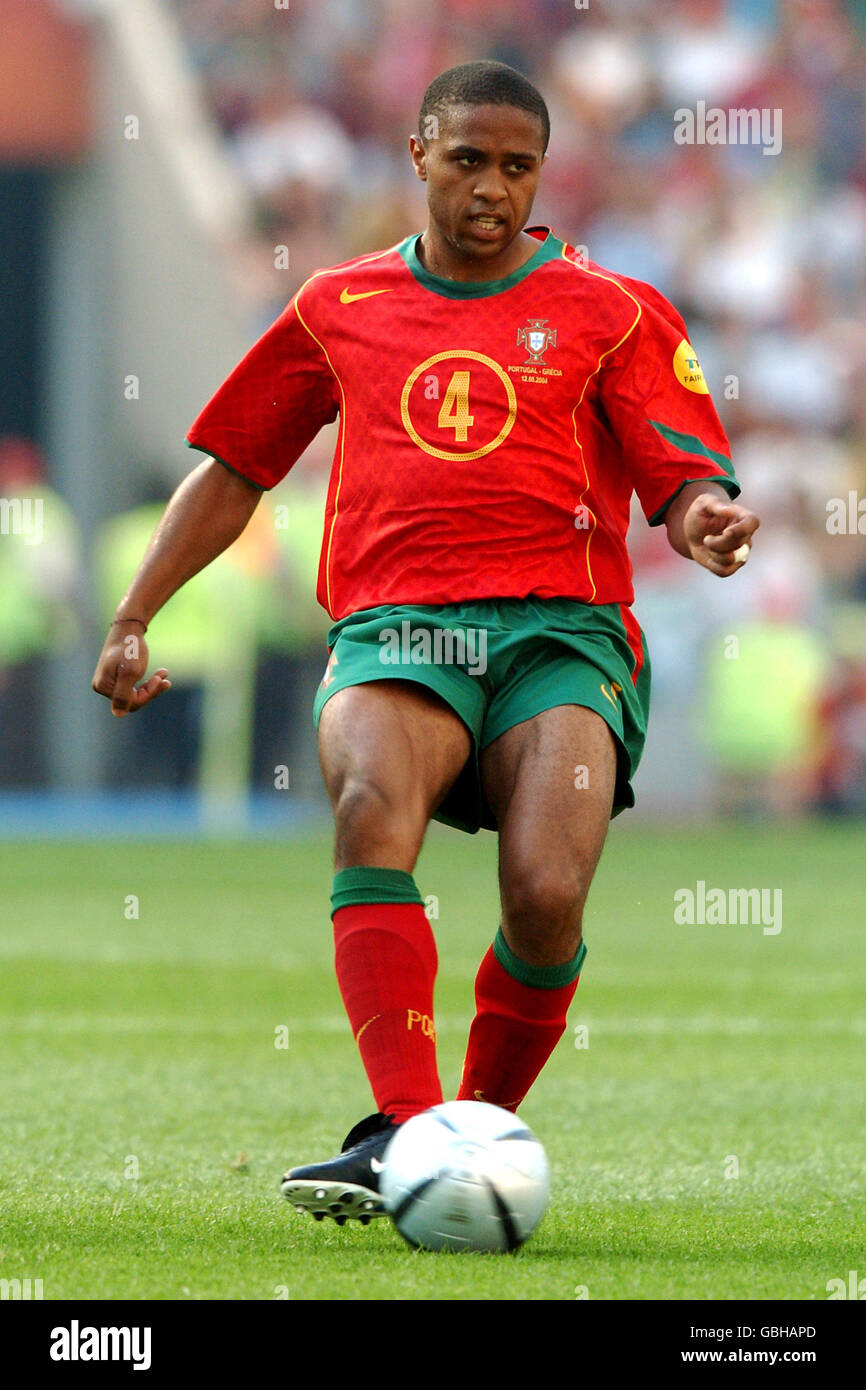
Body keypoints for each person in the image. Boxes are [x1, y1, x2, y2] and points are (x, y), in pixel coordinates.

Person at [92, 61, 760, 1227]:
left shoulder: (615, 310)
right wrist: (135, 611)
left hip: (563, 631)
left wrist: (705, 518)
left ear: (540, 173)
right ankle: (402, 1130)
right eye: (467, 161)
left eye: (516, 166)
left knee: (548, 891)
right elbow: (237, 464)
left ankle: (468, 1136)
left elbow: (684, 471)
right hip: (398, 625)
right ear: (417, 157)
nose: (491, 188)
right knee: (364, 806)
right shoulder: (337, 308)